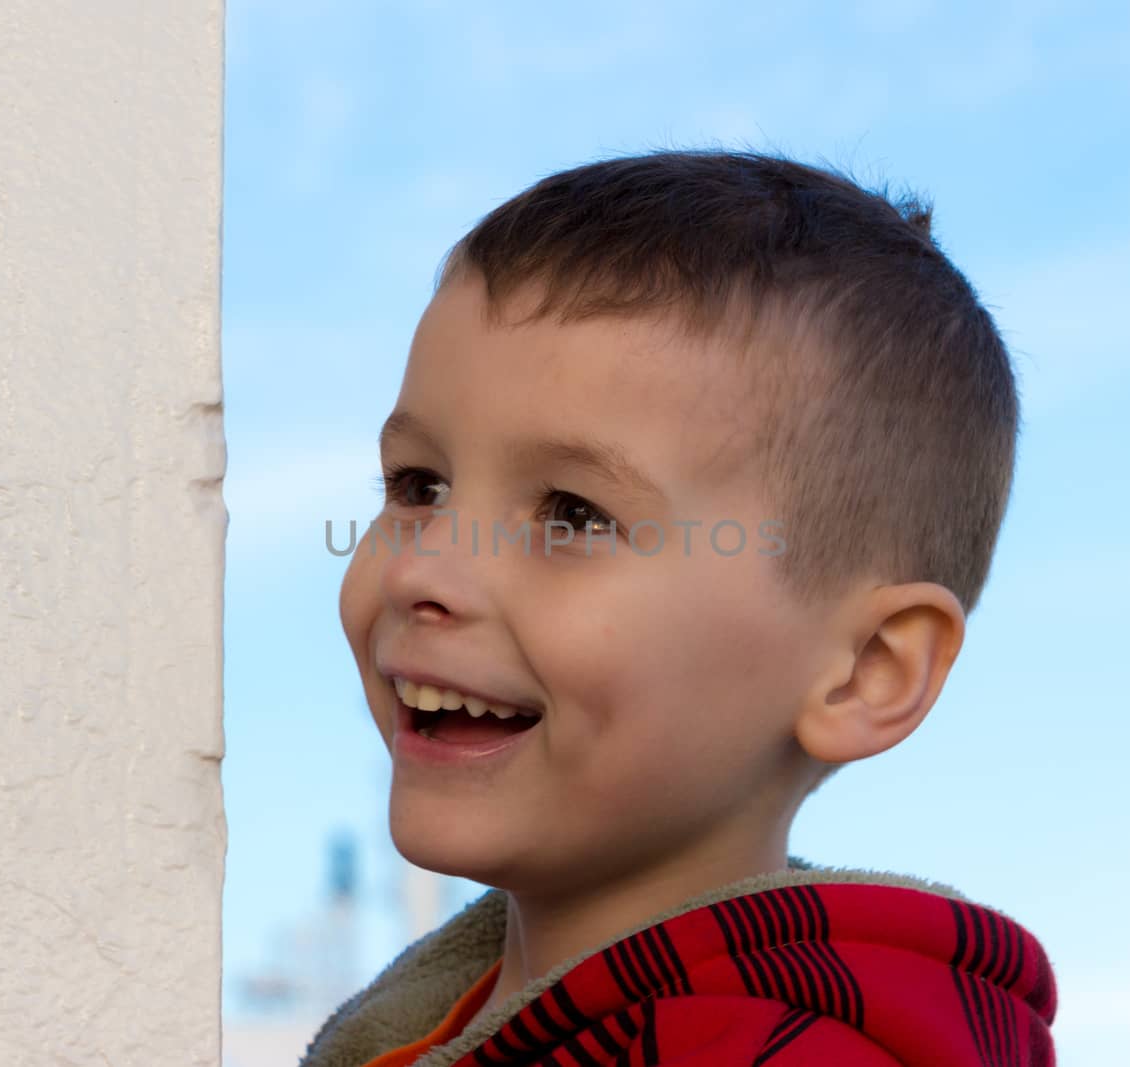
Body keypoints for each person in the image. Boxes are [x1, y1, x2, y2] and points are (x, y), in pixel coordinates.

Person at [313, 150, 1058, 1066]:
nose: (421, 570)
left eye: (573, 515)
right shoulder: (429, 1026)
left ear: (866, 668)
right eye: (419, 485)